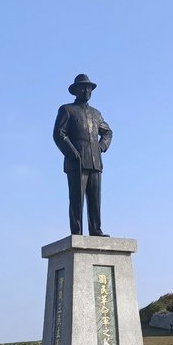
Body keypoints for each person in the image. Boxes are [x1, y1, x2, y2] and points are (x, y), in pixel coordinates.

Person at [53, 73, 112, 236]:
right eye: (83, 88)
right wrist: (72, 152)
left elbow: (107, 132)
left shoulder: (96, 114)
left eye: (89, 88)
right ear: (76, 90)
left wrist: (101, 147)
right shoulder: (67, 110)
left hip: (95, 162)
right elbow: (59, 133)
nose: (86, 91)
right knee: (76, 199)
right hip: (76, 161)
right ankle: (76, 232)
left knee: (95, 198)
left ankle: (95, 229)